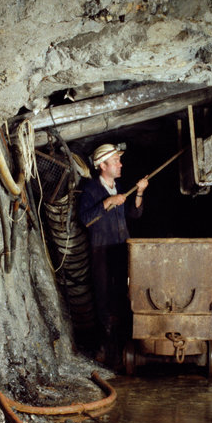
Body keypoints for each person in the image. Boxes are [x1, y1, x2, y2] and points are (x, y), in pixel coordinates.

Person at [78, 142, 149, 366]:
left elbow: (135, 215)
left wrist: (139, 192)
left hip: (121, 250)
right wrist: (108, 202)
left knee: (122, 296)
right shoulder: (91, 189)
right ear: (102, 165)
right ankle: (104, 349)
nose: (120, 164)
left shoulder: (118, 187)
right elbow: (86, 219)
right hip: (101, 251)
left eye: (119, 160)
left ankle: (121, 350)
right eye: (116, 160)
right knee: (104, 297)